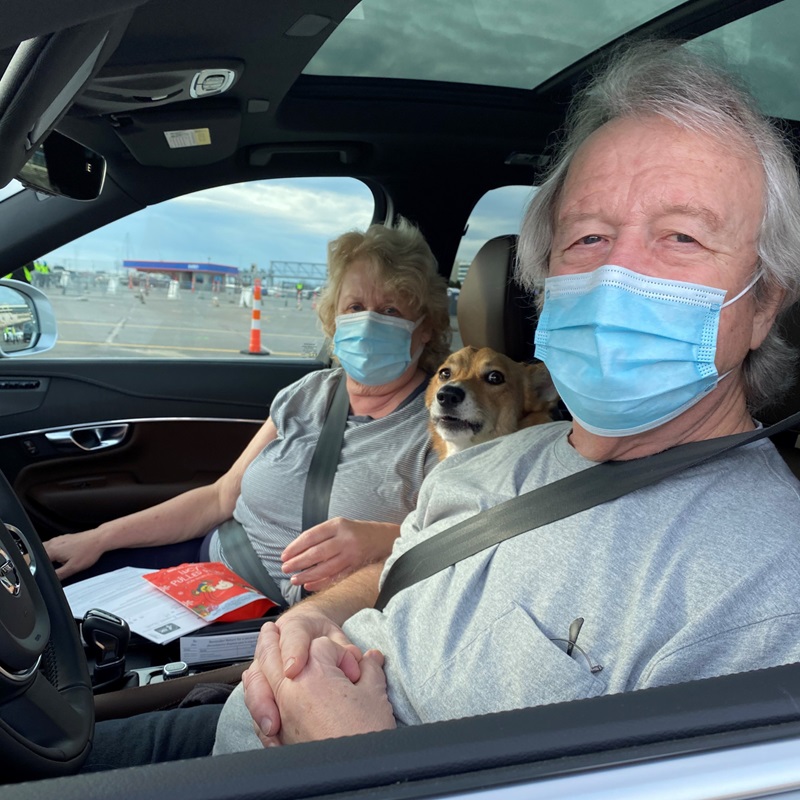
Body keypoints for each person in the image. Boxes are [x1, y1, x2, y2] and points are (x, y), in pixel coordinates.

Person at [83, 40, 800, 768]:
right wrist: (314, 618)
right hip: (238, 723)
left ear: (766, 301)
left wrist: (352, 759)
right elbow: (403, 565)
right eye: (588, 237)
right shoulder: (499, 461)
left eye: (681, 236)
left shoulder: (767, 586)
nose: (617, 271)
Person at [44, 218, 451, 607]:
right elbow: (220, 498)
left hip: (285, 621)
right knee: (50, 593)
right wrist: (98, 538)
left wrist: (383, 539)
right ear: (334, 317)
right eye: (355, 306)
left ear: (426, 327)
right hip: (206, 571)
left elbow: (452, 544)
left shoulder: (442, 428)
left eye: (391, 311)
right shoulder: (306, 394)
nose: (367, 324)